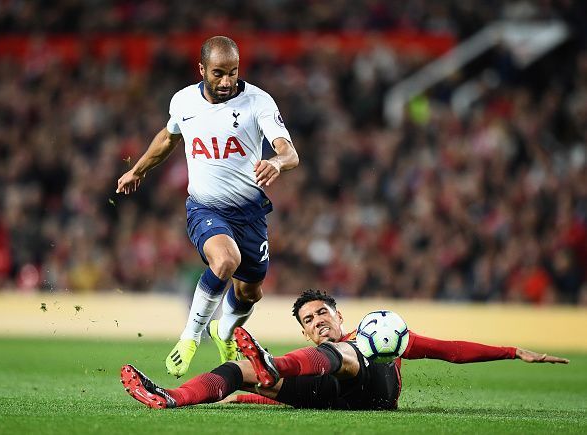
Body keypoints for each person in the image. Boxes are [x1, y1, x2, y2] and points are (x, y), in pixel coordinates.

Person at [116, 36, 299, 378]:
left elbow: (290, 152)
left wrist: (276, 162)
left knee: (250, 292)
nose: (227, 81)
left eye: (233, 72)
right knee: (225, 260)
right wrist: (137, 170)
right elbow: (169, 137)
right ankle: (190, 337)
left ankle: (223, 331)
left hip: (251, 213)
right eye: (218, 73)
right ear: (201, 69)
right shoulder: (184, 101)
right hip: (205, 208)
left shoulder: (258, 101)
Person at [120, 289, 569, 410]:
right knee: (240, 370)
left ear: (338, 313)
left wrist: (513, 351)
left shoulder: (375, 336)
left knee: (347, 355)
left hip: (374, 392)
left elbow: (447, 350)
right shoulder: (314, 351)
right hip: (329, 394)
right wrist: (260, 394)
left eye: (322, 315)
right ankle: (171, 398)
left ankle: (273, 368)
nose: (317, 323)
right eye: (309, 322)